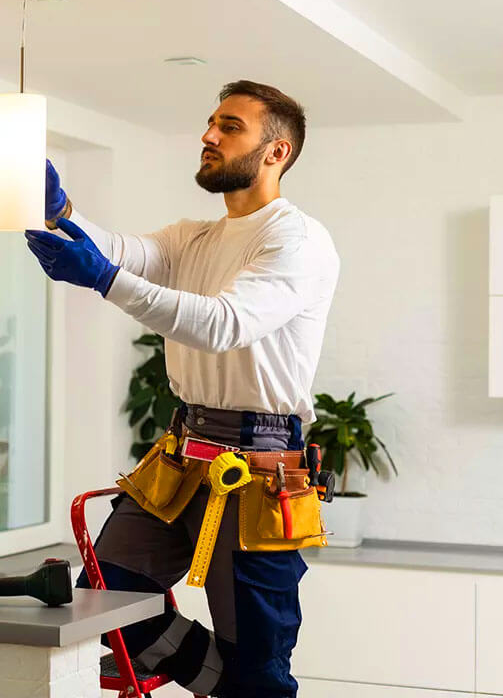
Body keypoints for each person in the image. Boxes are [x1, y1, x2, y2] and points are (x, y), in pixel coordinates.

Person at [25, 80, 340, 697]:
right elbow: (121, 252)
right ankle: (229, 682)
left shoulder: (296, 240)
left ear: (276, 152)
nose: (208, 136)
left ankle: (247, 681)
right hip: (184, 448)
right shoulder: (192, 235)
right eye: (210, 124)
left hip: (260, 465)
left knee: (258, 648)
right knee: (107, 600)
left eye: (229, 127)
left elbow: (224, 325)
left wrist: (105, 280)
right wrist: (63, 215)